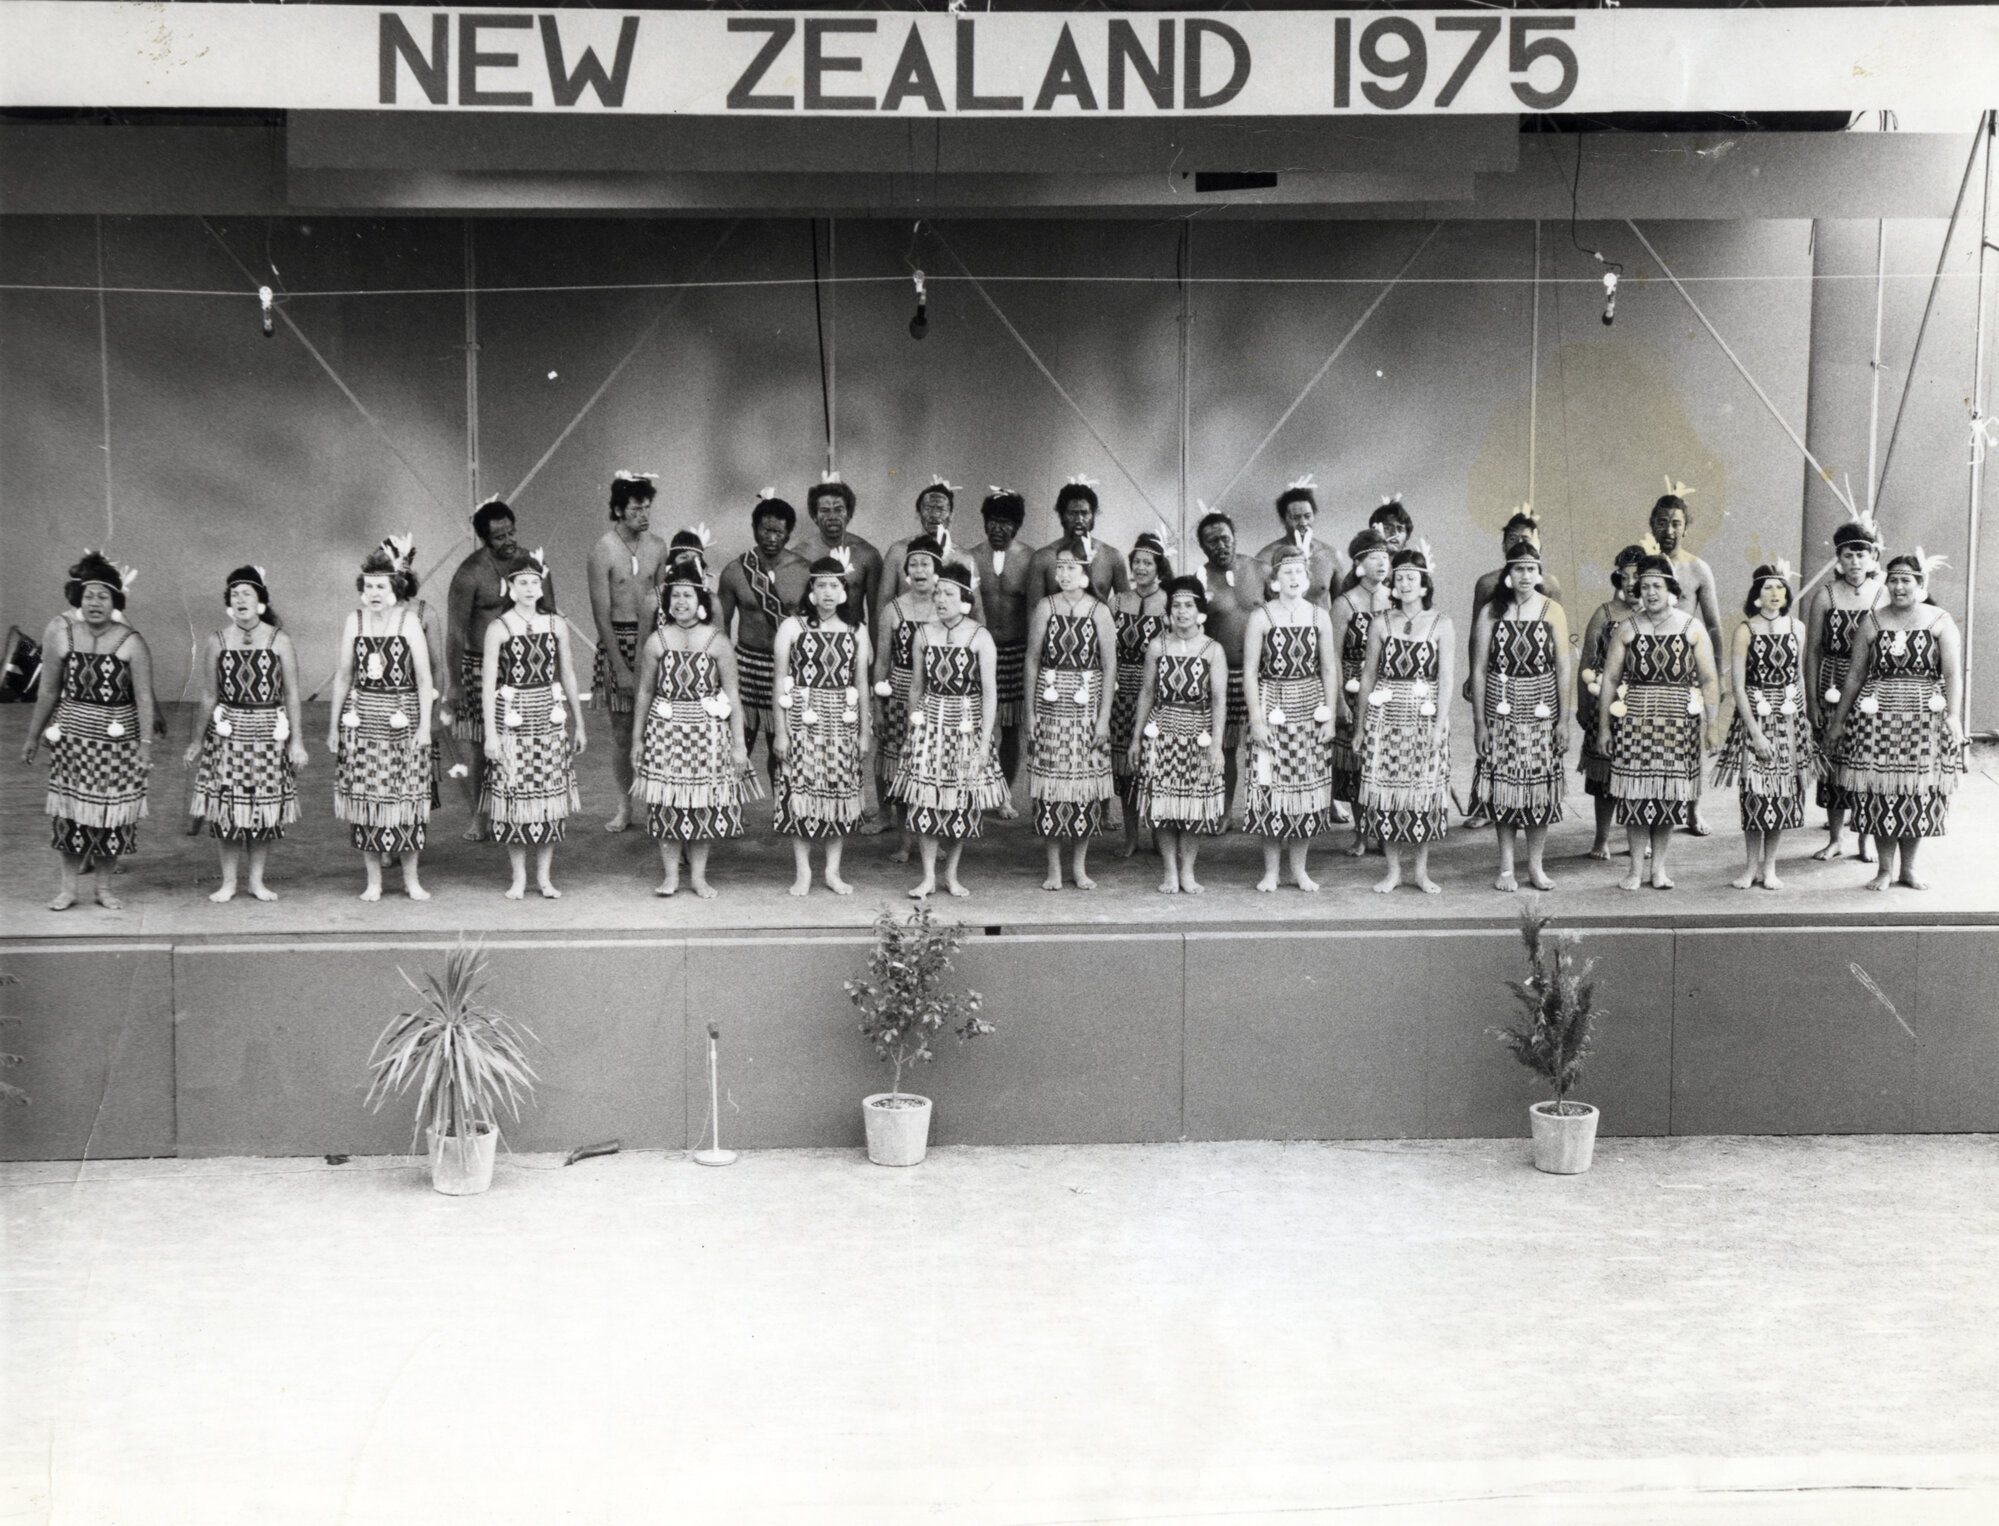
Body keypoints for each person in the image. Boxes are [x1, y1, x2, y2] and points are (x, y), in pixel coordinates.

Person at [20, 553, 154, 911]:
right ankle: (67, 889)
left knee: (112, 818)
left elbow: (143, 697)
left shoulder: (131, 641)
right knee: (71, 815)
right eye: (90, 595)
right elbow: (48, 690)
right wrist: (33, 737)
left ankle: (104, 889)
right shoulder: (60, 632)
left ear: (116, 603)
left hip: (117, 745)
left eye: (104, 596)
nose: (95, 603)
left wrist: (144, 745)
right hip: (73, 741)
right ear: (79, 597)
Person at [1825, 551, 1965, 892]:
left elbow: (1952, 675)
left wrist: (1955, 717)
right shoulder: (1872, 621)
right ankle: (1884, 869)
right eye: (1894, 580)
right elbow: (1856, 676)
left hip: (1923, 720)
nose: (1899, 586)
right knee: (1882, 793)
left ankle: (1909, 869)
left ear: (1921, 584)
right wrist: (1838, 721)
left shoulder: (1939, 620)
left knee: (1917, 794)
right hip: (1878, 718)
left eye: (1906, 580)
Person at [1596, 554, 1720, 892]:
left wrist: (1711, 725)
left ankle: (1659, 869)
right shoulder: (1628, 628)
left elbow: (1709, 679)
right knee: (1636, 797)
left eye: (1657, 586)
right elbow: (1609, 679)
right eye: (1645, 586)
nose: (1650, 592)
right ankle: (1635, 869)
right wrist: (1605, 728)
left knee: (1668, 797)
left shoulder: (1690, 627)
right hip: (1635, 720)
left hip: (1679, 723)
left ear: (1671, 589)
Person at [631, 565, 753, 899]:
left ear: (700, 599)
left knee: (701, 806)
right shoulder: (657, 641)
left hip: (707, 734)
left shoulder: (717, 641)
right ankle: (671, 876)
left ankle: (698, 877)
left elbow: (732, 696)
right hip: (665, 732)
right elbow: (644, 692)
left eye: (687, 594)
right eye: (674, 595)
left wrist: (739, 745)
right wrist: (637, 739)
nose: (680, 601)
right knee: (667, 805)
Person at [186, 566, 305, 902]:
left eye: (246, 593)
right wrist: (197, 740)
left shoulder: (279, 640)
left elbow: (292, 694)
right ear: (229, 602)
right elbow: (209, 694)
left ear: (260, 601)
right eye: (234, 593)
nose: (240, 599)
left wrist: (296, 741)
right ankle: (228, 883)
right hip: (229, 735)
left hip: (269, 734)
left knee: (263, 811)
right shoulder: (217, 641)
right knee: (228, 811)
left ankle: (256, 881)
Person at [890, 563, 1007, 899]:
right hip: (931, 724)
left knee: (960, 803)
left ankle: (951, 875)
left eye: (948, 593)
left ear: (965, 597)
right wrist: (913, 728)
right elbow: (916, 687)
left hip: (966, 724)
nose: (940, 598)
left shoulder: (979, 636)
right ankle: (927, 876)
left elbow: (990, 692)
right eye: (938, 592)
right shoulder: (924, 634)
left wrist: (984, 742)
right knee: (927, 802)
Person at [330, 549, 435, 902]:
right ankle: (373, 881)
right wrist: (334, 728)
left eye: (381, 585)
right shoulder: (354, 621)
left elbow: (423, 679)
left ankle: (410, 880)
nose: (375, 592)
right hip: (362, 722)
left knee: (405, 800)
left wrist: (424, 728)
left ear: (395, 587)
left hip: (402, 721)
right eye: (370, 585)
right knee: (367, 800)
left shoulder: (408, 622)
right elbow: (344, 676)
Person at [1469, 538, 1572, 893]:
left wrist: (1563, 720)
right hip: (1502, 711)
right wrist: (1480, 723)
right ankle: (1506, 868)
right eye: (1519, 569)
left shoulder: (1552, 610)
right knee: (1504, 792)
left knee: (1538, 791)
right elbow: (1479, 669)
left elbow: (1562, 666)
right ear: (1508, 573)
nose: (1526, 575)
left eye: (1531, 569)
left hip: (1542, 712)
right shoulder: (1491, 612)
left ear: (1539, 572)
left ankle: (1536, 867)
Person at [481, 550, 584, 900]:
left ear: (541, 587)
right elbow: (488, 685)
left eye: (534, 582)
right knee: (514, 798)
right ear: (509, 587)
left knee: (548, 799)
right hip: (512, 719)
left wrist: (579, 724)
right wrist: (491, 734)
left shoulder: (556, 624)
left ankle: (544, 877)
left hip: (549, 718)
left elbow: (568, 674)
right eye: (521, 582)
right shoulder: (499, 628)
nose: (528, 588)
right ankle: (519, 877)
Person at [771, 552, 873, 896]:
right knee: (801, 795)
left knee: (838, 795)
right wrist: (781, 731)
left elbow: (861, 684)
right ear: (811, 589)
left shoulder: (856, 630)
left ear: (843, 590)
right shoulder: (792, 626)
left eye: (834, 585)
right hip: (803, 718)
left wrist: (863, 732)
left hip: (841, 724)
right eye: (821, 585)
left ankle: (832, 871)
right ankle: (803, 872)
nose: (828, 592)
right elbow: (780, 680)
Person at [447, 499, 548, 841]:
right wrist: (456, 684)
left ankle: (519, 811)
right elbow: (456, 631)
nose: (509, 540)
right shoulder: (470, 574)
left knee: (525, 745)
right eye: (499, 536)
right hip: (478, 667)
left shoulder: (530, 565)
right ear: (484, 539)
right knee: (481, 746)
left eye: (511, 532)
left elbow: (550, 615)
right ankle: (480, 816)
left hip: (523, 669)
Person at [1713, 562, 1818, 891]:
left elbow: (1799, 676)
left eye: (1780, 587)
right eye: (1768, 588)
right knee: (1756, 795)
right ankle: (1749, 867)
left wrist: (1803, 722)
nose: (1776, 593)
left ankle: (1769, 868)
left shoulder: (1797, 628)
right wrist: (1755, 733)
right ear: (1756, 596)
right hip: (1755, 718)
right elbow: (1739, 686)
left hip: (1789, 719)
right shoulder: (1746, 630)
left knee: (1783, 796)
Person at [1356, 547, 1454, 894]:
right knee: (1387, 795)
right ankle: (1393, 870)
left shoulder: (1442, 623)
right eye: (1400, 577)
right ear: (1393, 585)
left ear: (1425, 585)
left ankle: (1421, 871)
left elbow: (1446, 679)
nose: (1406, 582)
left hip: (1424, 716)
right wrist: (1360, 727)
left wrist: (1440, 725)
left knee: (1421, 794)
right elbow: (1368, 675)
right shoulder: (1381, 622)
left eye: (1413, 577)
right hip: (1386, 716)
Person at [1242, 543, 1338, 893]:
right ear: (1275, 580)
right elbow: (1251, 671)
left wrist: (1330, 717)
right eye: (1287, 572)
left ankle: (1299, 870)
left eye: (1300, 571)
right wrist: (1256, 719)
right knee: (1270, 789)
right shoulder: (1261, 617)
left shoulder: (1319, 616)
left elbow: (1329, 667)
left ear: (1308, 578)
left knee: (1305, 790)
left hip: (1310, 709)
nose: (1294, 577)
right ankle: (1271, 871)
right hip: (1272, 707)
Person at [1025, 542, 1118, 890]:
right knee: (1050, 787)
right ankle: (1052, 867)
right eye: (1059, 567)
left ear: (1086, 572)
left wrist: (1103, 718)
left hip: (1087, 704)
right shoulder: (1045, 607)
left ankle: (1078, 867)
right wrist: (1030, 712)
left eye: (1070, 568)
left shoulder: (1099, 611)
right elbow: (1032, 660)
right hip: (1050, 705)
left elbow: (1109, 668)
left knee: (1083, 788)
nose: (1063, 574)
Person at [1128, 575, 1230, 894]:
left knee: (1192, 809)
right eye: (1176, 605)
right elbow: (1146, 693)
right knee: (1165, 808)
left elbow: (1218, 700)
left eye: (1188, 605)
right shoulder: (1158, 645)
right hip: (1163, 732)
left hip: (1197, 732)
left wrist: (1216, 744)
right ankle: (1170, 871)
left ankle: (1188, 871)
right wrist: (1136, 739)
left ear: (1199, 610)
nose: (1182, 611)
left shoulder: (1213, 650)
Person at [587, 472, 670, 832]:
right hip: (616, 640)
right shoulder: (603, 550)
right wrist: (619, 666)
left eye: (647, 508)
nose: (644, 515)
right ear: (619, 509)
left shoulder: (658, 546)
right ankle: (625, 805)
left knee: (658, 729)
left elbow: (666, 602)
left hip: (653, 639)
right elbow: (601, 614)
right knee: (623, 733)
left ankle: (656, 802)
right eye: (636, 509)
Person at [1803, 514, 1887, 863]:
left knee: (1864, 761)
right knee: (1833, 759)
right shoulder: (1825, 596)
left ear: (1873, 558)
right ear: (1838, 558)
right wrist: (1812, 700)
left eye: (1861, 554)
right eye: (1848, 555)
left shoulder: (1883, 594)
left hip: (1870, 686)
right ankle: (1835, 837)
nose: (1855, 562)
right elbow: (1813, 652)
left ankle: (1864, 839)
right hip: (1832, 681)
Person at [714, 492, 811, 790]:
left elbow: (810, 628)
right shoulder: (735, 571)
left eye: (778, 532)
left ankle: (784, 805)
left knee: (781, 743)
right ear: (754, 528)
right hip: (745, 666)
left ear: (789, 533)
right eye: (765, 530)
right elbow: (720, 629)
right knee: (736, 739)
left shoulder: (805, 571)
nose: (771, 538)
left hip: (786, 668)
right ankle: (730, 808)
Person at [873, 537, 946, 863]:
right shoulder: (893, 610)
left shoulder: (946, 608)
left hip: (937, 693)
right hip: (900, 693)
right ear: (905, 572)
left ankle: (935, 839)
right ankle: (905, 843)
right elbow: (881, 662)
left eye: (925, 564)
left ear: (936, 572)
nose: (919, 570)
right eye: (913, 564)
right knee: (900, 771)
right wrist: (878, 706)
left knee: (934, 769)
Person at [1576, 545, 1648, 859]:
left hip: (1643, 707)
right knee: (1604, 777)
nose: (1631, 583)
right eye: (1626, 576)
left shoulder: (1656, 617)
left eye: (1639, 576)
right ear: (1617, 578)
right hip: (1605, 703)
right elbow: (1587, 664)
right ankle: (1601, 839)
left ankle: (1638, 841)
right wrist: (1584, 707)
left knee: (1641, 776)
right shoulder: (1604, 614)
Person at [1193, 509, 1266, 818]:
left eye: (1225, 538)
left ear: (1235, 538)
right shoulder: (1200, 579)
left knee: (1265, 745)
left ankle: (1264, 810)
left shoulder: (1260, 570)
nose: (1220, 545)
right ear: (1203, 547)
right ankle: (1223, 812)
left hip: (1261, 674)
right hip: (1221, 674)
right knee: (1224, 748)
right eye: (1212, 542)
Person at [967, 488, 1037, 800]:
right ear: (984, 523)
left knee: (1010, 728)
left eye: (1006, 522)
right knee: (974, 723)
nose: (998, 528)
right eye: (993, 521)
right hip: (978, 651)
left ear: (1017, 525)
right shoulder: (970, 557)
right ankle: (970, 789)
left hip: (1015, 650)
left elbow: (1035, 608)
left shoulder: (1030, 559)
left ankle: (1004, 794)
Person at [1329, 528, 1393, 855]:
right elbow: (1333, 656)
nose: (1382, 562)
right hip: (1353, 686)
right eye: (1374, 557)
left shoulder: (1396, 598)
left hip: (1389, 688)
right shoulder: (1344, 603)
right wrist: (1340, 699)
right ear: (1358, 563)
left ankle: (1384, 830)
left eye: (1385, 556)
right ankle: (1361, 831)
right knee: (1356, 763)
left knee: (1383, 760)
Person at [1109, 532, 1172, 857]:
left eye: (1148, 562)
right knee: (1125, 766)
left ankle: (1161, 836)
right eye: (1137, 562)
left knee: (1156, 766)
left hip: (1158, 693)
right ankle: (1131, 837)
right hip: (1121, 692)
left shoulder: (1170, 603)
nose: (1142, 567)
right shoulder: (1118, 601)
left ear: (1159, 566)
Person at [879, 479, 985, 620]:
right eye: (928, 508)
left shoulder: (964, 559)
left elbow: (976, 612)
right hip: (907, 636)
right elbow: (883, 605)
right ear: (918, 513)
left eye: (940, 509)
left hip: (949, 638)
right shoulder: (898, 552)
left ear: (951, 515)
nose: (934, 515)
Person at [1027, 480, 1131, 602]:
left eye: (1085, 513)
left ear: (1093, 515)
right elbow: (1034, 612)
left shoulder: (1112, 557)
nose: (1079, 520)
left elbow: (1126, 607)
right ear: (1062, 515)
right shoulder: (1042, 558)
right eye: (1072, 513)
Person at [802, 475, 884, 627]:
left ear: (849, 514)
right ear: (814, 517)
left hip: (853, 637)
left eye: (839, 509)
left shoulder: (868, 555)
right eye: (825, 510)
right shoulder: (801, 554)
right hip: (812, 639)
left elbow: (876, 615)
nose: (832, 516)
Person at [1253, 477, 1343, 609]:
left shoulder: (1331, 555)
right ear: (1283, 520)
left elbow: (1341, 607)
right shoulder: (1266, 557)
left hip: (1320, 627)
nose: (1303, 523)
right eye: (1295, 518)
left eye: (1307, 516)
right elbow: (1258, 606)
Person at [1335, 497, 1416, 594]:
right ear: (1374, 530)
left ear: (1407, 536)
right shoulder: (1360, 571)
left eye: (1400, 529)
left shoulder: (1413, 570)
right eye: (1387, 528)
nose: (1394, 533)